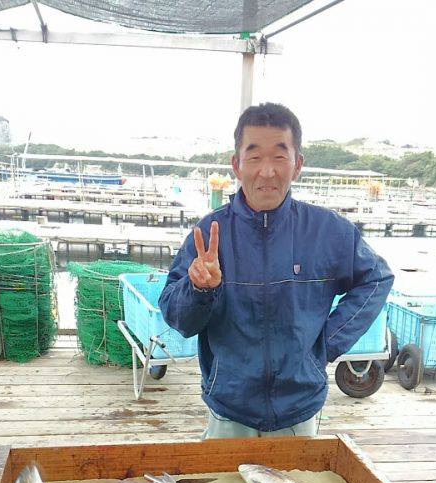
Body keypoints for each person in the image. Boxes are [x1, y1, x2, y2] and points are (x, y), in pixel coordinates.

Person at [159, 102, 394, 439]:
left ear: (297, 164)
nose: (266, 171)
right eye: (254, 157)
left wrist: (325, 346)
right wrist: (199, 289)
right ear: (236, 166)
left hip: (299, 412)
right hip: (229, 412)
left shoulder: (328, 230)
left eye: (279, 156)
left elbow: (377, 278)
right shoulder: (209, 234)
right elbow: (178, 319)